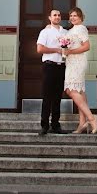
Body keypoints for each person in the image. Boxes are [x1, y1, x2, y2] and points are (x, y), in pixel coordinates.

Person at [62, 7, 97, 134]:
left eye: (75, 16)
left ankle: (92, 118)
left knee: (70, 90)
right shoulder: (71, 30)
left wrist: (70, 51)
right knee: (79, 91)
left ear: (81, 17)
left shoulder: (81, 28)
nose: (73, 18)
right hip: (71, 62)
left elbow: (86, 46)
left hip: (78, 62)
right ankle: (82, 124)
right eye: (71, 16)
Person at [35, 8, 67, 136]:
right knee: (47, 97)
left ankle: (55, 125)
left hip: (62, 66)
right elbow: (40, 49)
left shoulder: (66, 32)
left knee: (58, 97)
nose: (57, 17)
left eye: (59, 15)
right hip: (49, 66)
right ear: (50, 17)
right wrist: (56, 50)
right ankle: (44, 125)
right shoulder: (45, 32)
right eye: (54, 15)